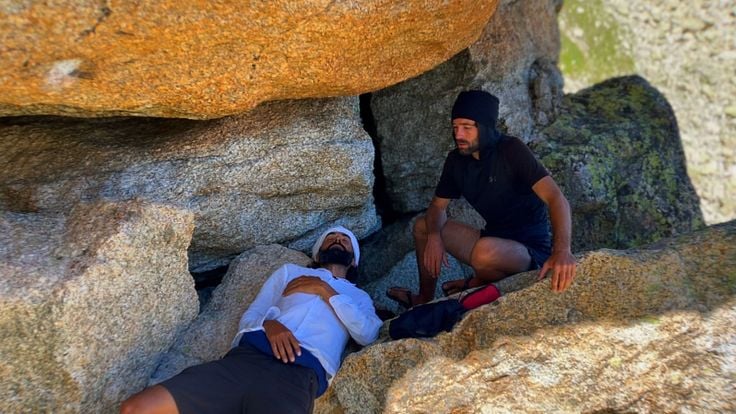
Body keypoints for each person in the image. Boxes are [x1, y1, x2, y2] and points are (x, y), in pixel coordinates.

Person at [120, 226, 382, 414]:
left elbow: (368, 334)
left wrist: (325, 291)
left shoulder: (359, 297)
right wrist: (270, 324)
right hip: (247, 359)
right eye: (330, 238)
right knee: (138, 408)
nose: (337, 240)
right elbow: (254, 313)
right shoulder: (290, 272)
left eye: (345, 240)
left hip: (297, 378)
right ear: (317, 254)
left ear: (354, 259)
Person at [387, 90, 577, 308]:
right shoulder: (456, 161)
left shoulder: (511, 150)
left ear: (485, 127)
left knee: (484, 253)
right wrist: (434, 236)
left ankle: (476, 283)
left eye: (467, 127)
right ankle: (424, 299)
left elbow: (555, 197)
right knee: (423, 226)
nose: (459, 135)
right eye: (455, 127)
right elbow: (438, 208)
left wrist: (562, 251)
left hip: (529, 250)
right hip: (491, 239)